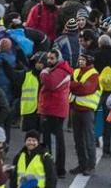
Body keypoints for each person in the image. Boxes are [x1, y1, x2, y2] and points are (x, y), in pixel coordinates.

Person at [37, 49, 71, 178]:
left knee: (51, 140)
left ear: (58, 59)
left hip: (52, 109)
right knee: (54, 139)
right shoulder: (61, 70)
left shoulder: (58, 71)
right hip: (54, 108)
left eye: (52, 58)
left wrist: (43, 72)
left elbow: (50, 84)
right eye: (48, 58)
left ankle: (54, 168)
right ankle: (55, 167)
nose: (49, 61)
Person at [69, 53, 100, 176]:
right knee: (78, 139)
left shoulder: (94, 74)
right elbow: (70, 85)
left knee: (89, 139)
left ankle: (90, 166)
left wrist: (73, 86)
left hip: (87, 109)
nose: (81, 62)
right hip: (75, 108)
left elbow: (85, 89)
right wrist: (77, 86)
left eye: (83, 60)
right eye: (80, 59)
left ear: (89, 61)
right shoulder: (76, 71)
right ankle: (82, 164)